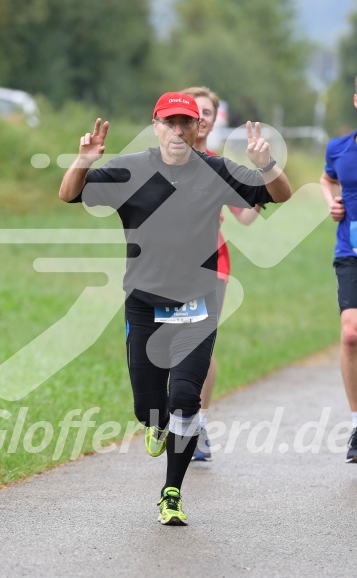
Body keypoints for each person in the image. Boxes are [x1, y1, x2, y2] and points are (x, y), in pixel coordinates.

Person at [59, 91, 292, 525]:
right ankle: (154, 421)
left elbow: (280, 193)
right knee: (148, 408)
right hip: (145, 305)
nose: (179, 131)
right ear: (157, 125)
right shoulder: (131, 169)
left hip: (197, 304)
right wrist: (84, 160)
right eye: (171, 123)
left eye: (187, 122)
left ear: (198, 127)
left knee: (185, 398)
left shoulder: (216, 170)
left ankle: (171, 492)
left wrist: (266, 164)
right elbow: (69, 195)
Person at [181, 86, 263, 462]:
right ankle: (176, 417)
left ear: (215, 120)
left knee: (200, 341)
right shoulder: (160, 162)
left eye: (208, 113)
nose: (200, 118)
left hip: (212, 263)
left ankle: (197, 426)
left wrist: (259, 184)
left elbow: (244, 218)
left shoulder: (220, 167)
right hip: (164, 266)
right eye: (193, 111)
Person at [320, 80, 357, 463]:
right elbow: (326, 178)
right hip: (351, 251)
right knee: (350, 334)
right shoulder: (339, 148)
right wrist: (331, 202)